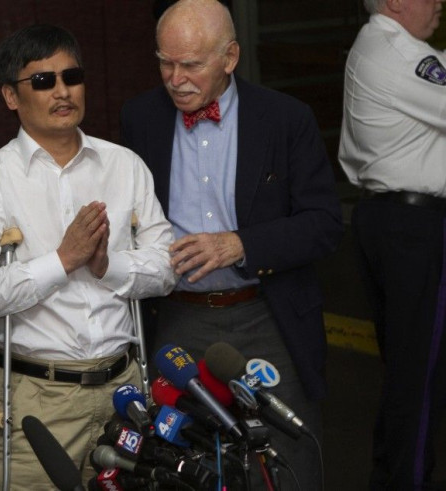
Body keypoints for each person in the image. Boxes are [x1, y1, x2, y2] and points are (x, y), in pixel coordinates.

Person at [120, 1, 343, 489]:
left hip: (267, 314)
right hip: (177, 315)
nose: (175, 78)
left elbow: (325, 223)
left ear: (231, 57)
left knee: (286, 461)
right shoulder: (139, 119)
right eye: (165, 61)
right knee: (178, 460)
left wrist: (239, 244)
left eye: (192, 65)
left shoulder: (286, 119)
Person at [0, 24, 177, 489]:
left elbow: (168, 265)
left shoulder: (124, 166)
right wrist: (63, 259)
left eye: (71, 77)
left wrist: (105, 265)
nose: (61, 91)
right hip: (37, 395)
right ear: (11, 97)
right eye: (42, 81)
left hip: (122, 386)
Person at [338, 0, 446, 488]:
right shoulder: (397, 53)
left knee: (410, 372)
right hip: (414, 227)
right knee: (418, 380)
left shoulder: (392, 47)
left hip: (394, 223)